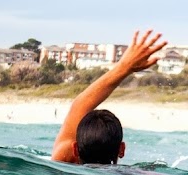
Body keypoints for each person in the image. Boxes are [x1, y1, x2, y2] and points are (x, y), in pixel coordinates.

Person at [51, 29, 167, 164]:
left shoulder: (63, 159)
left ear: (75, 149)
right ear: (122, 149)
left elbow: (79, 105)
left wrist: (125, 67)